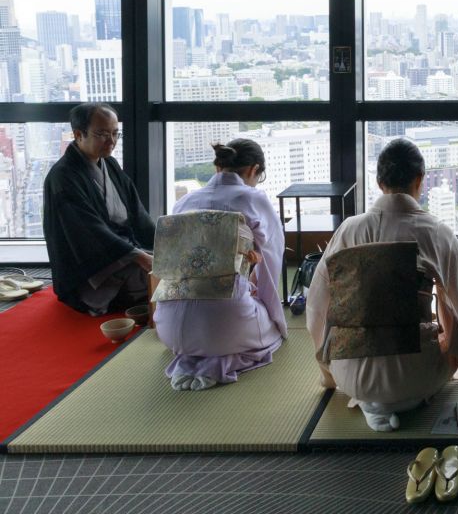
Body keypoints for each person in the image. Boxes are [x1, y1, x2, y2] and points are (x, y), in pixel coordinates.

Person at [307, 138, 458, 432]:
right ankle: (405, 401)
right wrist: (456, 352)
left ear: (379, 182)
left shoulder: (349, 229)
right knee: (444, 345)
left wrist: (329, 366)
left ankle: (372, 402)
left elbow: (318, 306)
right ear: (419, 180)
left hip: (352, 377)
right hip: (416, 374)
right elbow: (457, 309)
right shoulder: (438, 232)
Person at [154, 140, 288, 391]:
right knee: (272, 333)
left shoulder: (184, 202)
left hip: (170, 329)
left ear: (219, 167)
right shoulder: (252, 198)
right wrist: (274, 315)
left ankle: (195, 348)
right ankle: (219, 355)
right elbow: (271, 259)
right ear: (253, 169)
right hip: (225, 325)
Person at [43, 102, 155, 315]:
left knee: (169, 263)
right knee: (157, 274)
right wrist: (139, 256)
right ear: (78, 134)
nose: (111, 141)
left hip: (123, 248)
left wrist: (162, 244)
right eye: (102, 134)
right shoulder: (63, 177)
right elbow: (88, 230)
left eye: (115, 133)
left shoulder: (109, 164)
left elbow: (137, 214)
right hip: (92, 269)